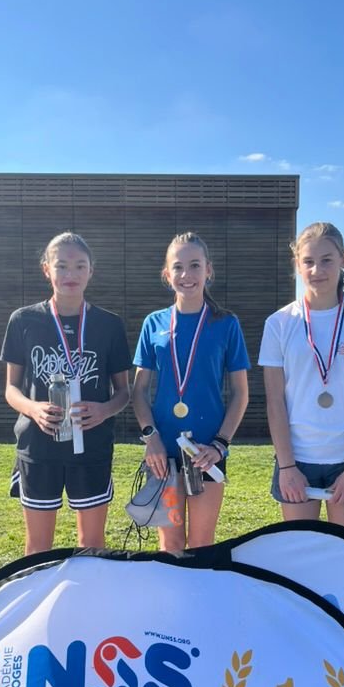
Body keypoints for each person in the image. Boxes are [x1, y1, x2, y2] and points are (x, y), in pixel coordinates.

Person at [1, 231, 131, 555]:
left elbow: (124, 392)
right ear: (46, 269)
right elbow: (11, 389)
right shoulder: (23, 320)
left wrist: (103, 410)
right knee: (38, 547)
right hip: (38, 446)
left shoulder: (109, 324)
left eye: (79, 266)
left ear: (91, 271)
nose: (70, 274)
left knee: (92, 546)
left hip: (91, 447)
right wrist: (33, 409)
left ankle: (89, 591)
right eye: (61, 266)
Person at [259, 222, 344, 533]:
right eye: (308, 261)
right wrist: (287, 466)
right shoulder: (278, 323)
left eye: (326, 260)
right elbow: (275, 402)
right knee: (300, 553)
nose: (317, 270)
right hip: (296, 460)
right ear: (297, 264)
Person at [131, 232, 250, 553]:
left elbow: (241, 394)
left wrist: (220, 444)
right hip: (163, 455)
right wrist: (151, 438)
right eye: (178, 267)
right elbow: (138, 391)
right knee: (170, 544)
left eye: (195, 265)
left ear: (208, 270)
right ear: (166, 274)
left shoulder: (226, 324)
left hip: (206, 454)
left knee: (201, 544)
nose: (187, 274)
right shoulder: (153, 323)